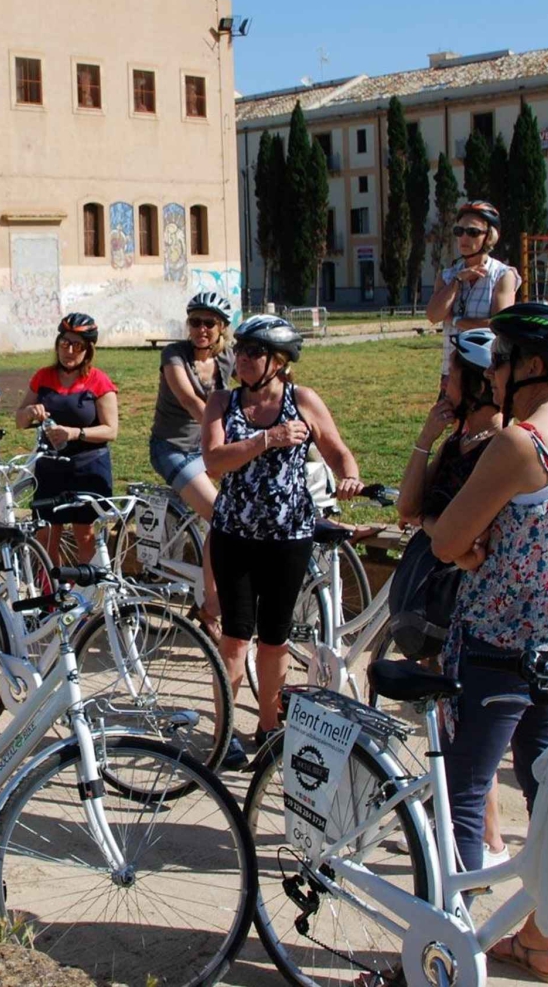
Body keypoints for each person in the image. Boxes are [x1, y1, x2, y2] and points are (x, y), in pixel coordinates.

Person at [427, 302, 548, 981]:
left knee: (463, 792)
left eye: (501, 360)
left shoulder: (518, 443)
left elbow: (446, 538)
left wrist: (471, 553)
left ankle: (449, 951)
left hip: (501, 641)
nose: (492, 373)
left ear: (533, 366)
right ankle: (540, 939)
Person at [200, 315, 362, 752]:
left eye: (254, 351)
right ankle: (223, 735)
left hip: (289, 537)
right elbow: (213, 461)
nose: (242, 358)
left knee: (275, 638)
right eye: (240, 349)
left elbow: (337, 450)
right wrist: (266, 439)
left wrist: (349, 475)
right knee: (235, 637)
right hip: (234, 535)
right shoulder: (222, 402)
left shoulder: (302, 400)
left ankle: (269, 728)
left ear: (279, 361)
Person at [395, 325, 508, 864]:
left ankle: (484, 841)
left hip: (468, 600)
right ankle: (473, 829)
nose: (444, 382)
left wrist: (432, 525)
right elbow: (408, 506)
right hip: (439, 596)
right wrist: (427, 435)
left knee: (465, 726)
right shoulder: (459, 442)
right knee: (451, 720)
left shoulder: (497, 448)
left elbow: (466, 538)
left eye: (452, 374)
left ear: (479, 384)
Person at [148, 291, 235, 632]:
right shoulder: (174, 355)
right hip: (172, 448)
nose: (201, 329)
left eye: (209, 323)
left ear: (222, 327)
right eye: (195, 322)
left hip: (209, 448)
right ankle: (210, 607)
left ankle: (217, 586)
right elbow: (190, 401)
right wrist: (226, 438)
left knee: (245, 508)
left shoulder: (228, 358)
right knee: (222, 516)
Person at [14, 314, 119, 564]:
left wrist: (75, 433)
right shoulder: (43, 376)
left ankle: (88, 587)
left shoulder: (98, 380)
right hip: (50, 466)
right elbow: (19, 421)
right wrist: (30, 412)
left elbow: (111, 430)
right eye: (64, 343)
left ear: (88, 350)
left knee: (85, 535)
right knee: (46, 535)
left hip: (88, 465)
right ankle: (52, 587)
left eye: (77, 345)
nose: (69, 351)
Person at [425, 201, 521, 390]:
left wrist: (455, 320)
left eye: (473, 232)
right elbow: (433, 316)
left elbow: (500, 325)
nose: (464, 238)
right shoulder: (447, 276)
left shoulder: (502, 275)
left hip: (488, 375)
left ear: (490, 237)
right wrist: (457, 281)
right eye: (459, 231)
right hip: (452, 374)